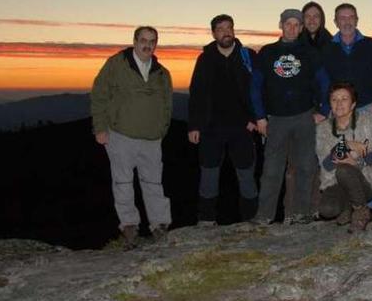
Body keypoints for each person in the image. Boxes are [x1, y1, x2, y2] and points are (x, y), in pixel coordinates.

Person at [90, 26, 173, 248]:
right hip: (121, 136)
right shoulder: (117, 64)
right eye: (143, 40)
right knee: (123, 183)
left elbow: (167, 104)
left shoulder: (162, 72)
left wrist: (161, 129)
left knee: (154, 183)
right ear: (135, 41)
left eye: (152, 41)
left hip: (152, 139)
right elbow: (99, 94)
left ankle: (159, 225)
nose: (148, 45)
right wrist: (100, 128)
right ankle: (129, 227)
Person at [250, 9, 329, 224]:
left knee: (306, 167)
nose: (292, 28)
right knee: (271, 170)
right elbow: (255, 86)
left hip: (304, 117)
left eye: (297, 24)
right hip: (275, 119)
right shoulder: (267, 52)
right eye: (288, 24)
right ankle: (264, 215)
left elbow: (324, 82)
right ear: (281, 25)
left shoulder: (310, 53)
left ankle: (301, 213)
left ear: (302, 27)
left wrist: (323, 110)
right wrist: (259, 116)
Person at [187, 14, 259, 225]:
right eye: (220, 29)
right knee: (209, 174)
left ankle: (251, 219)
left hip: (242, 126)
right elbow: (197, 92)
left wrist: (255, 118)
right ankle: (207, 220)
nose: (226, 32)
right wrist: (194, 125)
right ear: (213, 33)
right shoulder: (205, 59)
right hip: (211, 127)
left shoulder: (248, 56)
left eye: (229, 28)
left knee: (246, 173)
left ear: (234, 31)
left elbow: (257, 89)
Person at [315, 82, 372, 232]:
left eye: (344, 99)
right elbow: (327, 164)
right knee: (327, 209)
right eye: (334, 100)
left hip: (366, 180)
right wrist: (346, 144)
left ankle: (361, 212)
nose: (339, 104)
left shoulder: (367, 121)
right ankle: (348, 208)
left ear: (353, 104)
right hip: (335, 182)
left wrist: (357, 162)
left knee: (344, 169)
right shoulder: (323, 129)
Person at [320, 3, 372, 118]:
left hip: (367, 110)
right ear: (336, 22)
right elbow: (320, 82)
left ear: (356, 20)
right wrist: (324, 109)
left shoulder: (371, 45)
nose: (347, 22)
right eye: (342, 18)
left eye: (351, 17)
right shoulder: (327, 49)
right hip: (337, 111)